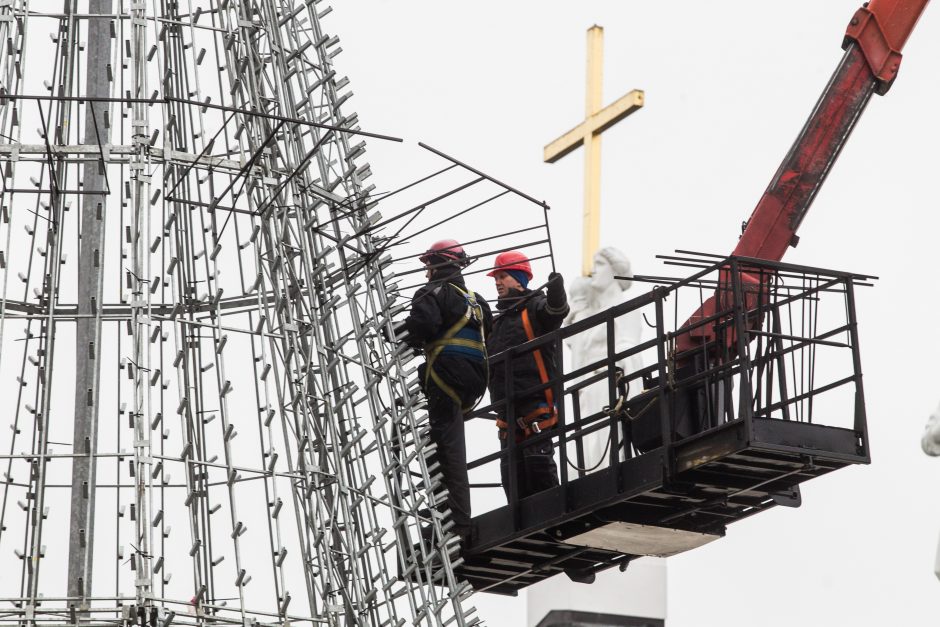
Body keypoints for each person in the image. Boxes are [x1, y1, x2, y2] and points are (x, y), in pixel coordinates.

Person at [391, 239, 492, 544]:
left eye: (428, 266)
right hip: (475, 380)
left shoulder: (432, 292)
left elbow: (422, 326)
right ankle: (448, 513)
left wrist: (391, 332)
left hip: (446, 375)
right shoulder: (477, 300)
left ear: (437, 264)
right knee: (445, 443)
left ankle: (456, 522)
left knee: (447, 450)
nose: (426, 272)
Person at [486, 250, 568, 502]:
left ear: (519, 279)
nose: (497, 282)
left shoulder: (534, 308)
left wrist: (556, 291)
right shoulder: (497, 324)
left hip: (535, 409)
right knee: (512, 483)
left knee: (540, 473)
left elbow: (555, 312)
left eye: (503, 276)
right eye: (496, 278)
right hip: (508, 418)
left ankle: (554, 522)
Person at [563, 247, 644, 472]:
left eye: (599, 264)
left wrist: (618, 361)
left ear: (615, 270)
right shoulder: (594, 314)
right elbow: (576, 344)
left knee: (608, 438)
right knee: (591, 441)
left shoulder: (625, 307)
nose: (593, 271)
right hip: (591, 386)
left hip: (610, 382)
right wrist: (579, 304)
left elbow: (629, 345)